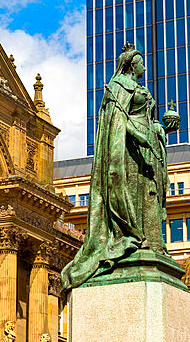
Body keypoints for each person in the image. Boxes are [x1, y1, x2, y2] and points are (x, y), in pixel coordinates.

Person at [60, 43, 179, 292]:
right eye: (141, 62)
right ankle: (131, 236)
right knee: (132, 193)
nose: (144, 66)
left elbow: (147, 118)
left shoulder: (139, 88)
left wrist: (159, 129)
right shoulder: (116, 87)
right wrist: (138, 134)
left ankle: (153, 243)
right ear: (131, 64)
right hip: (128, 150)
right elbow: (117, 121)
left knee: (150, 195)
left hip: (149, 148)